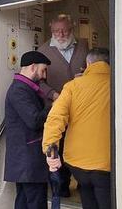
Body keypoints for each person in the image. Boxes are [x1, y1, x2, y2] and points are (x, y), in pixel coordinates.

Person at [43, 48, 112, 209]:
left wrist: (51, 151)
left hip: (78, 167)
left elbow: (55, 119)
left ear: (88, 63)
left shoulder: (73, 86)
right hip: (106, 167)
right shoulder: (118, 84)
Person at [3, 51, 64, 209]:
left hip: (24, 161)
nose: (44, 74)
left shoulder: (23, 89)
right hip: (29, 160)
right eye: (43, 69)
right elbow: (34, 120)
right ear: (31, 67)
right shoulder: (20, 90)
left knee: (23, 208)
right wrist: (56, 104)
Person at [38, 14, 89, 198]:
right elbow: (38, 82)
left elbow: (92, 69)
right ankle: (61, 188)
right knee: (57, 146)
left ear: (72, 27)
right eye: (56, 31)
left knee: (82, 146)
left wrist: (86, 76)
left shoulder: (83, 45)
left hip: (82, 108)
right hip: (57, 108)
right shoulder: (43, 50)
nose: (60, 34)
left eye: (64, 30)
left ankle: (85, 184)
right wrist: (54, 94)